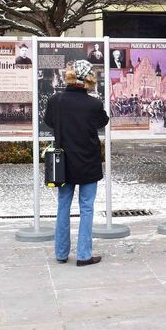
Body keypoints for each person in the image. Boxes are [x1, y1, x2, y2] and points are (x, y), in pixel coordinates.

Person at [44, 59, 109, 266]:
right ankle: (83, 255)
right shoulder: (94, 104)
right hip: (88, 161)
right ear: (89, 79)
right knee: (87, 208)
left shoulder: (56, 100)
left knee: (63, 205)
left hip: (63, 162)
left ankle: (61, 253)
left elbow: (49, 121)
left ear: (70, 76)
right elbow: (102, 122)